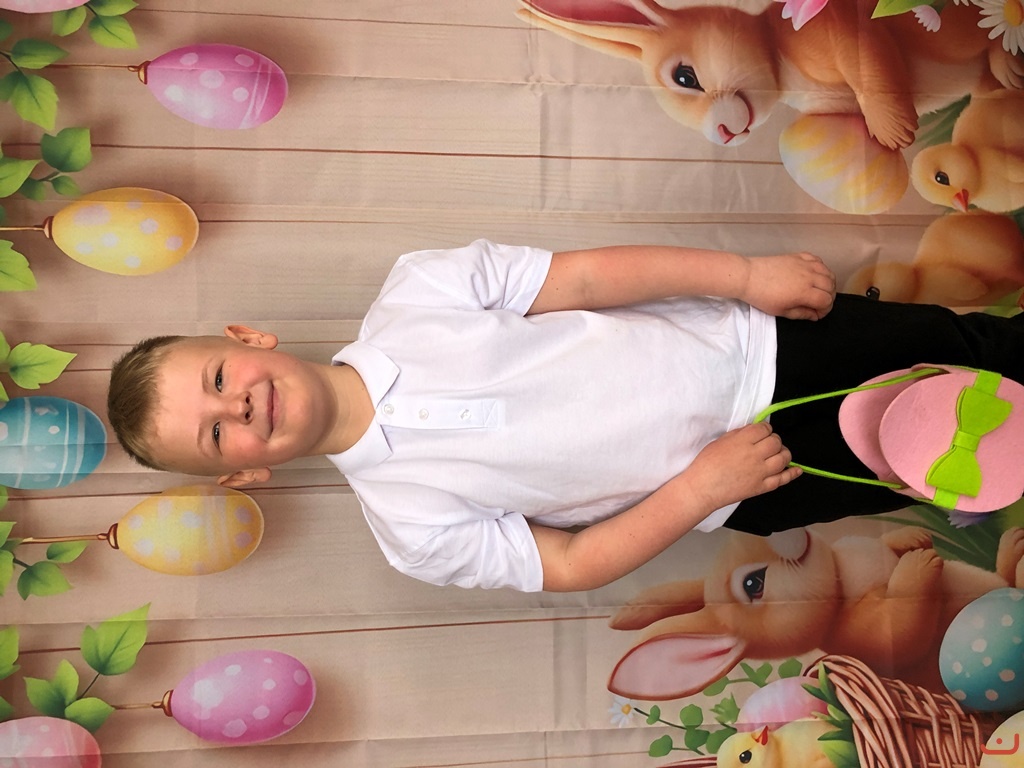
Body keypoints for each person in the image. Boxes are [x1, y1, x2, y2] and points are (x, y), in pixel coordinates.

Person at [107, 240, 1024, 592]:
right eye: (217, 431)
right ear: (245, 472)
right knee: (958, 452)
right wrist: (701, 489)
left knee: (964, 352)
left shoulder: (417, 291)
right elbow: (574, 563)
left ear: (248, 338)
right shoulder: (410, 529)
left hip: (761, 344)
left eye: (219, 376)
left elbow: (585, 278)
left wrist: (745, 278)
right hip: (751, 480)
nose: (238, 404)